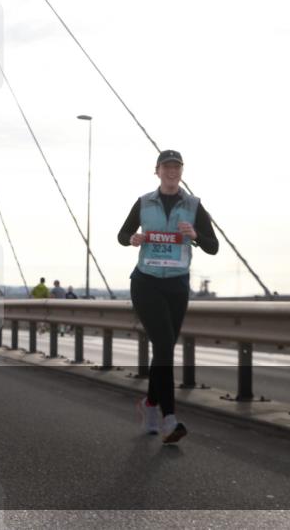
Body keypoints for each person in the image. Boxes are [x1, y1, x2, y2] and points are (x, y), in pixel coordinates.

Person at [118, 150, 218, 444]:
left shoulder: (194, 205)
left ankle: (150, 405)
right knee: (164, 347)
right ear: (157, 171)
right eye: (167, 167)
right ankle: (170, 419)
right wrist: (133, 238)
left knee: (163, 351)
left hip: (177, 286)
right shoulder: (143, 202)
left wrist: (195, 235)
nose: (172, 172)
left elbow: (213, 246)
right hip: (146, 283)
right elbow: (122, 235)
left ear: (182, 171)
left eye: (176, 167)